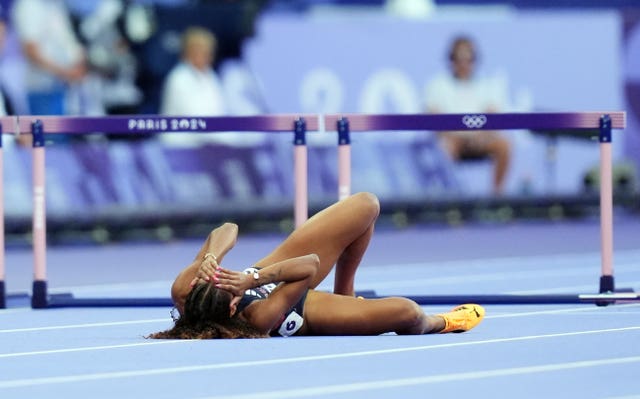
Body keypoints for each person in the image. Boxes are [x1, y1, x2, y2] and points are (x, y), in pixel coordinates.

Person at [149, 192, 485, 339]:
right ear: (235, 304)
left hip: (272, 270)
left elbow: (227, 229)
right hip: (302, 306)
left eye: (220, 277)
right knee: (409, 314)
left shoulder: (184, 288)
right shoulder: (259, 318)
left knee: (366, 205)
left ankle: (347, 293)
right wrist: (254, 279)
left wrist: (212, 258)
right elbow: (307, 267)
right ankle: (442, 323)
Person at [425, 35, 511, 195]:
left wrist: (483, 135)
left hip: (480, 139)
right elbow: (434, 117)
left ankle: (498, 198)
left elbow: (493, 115)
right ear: (451, 60)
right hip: (453, 140)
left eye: (469, 59)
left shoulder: (486, 85)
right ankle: (451, 200)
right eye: (459, 59)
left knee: (504, 145)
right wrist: (452, 136)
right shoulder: (438, 85)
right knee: (443, 149)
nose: (464, 64)